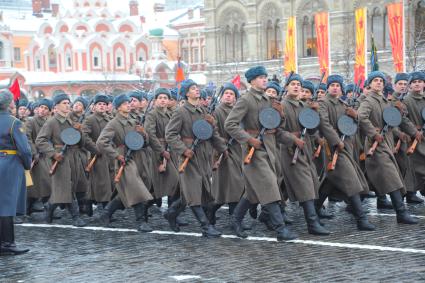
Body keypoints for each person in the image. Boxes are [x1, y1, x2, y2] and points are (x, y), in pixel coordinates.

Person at [224, 66, 298, 241]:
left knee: (253, 193)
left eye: (265, 77)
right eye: (260, 78)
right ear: (251, 81)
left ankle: (235, 220)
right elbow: (230, 124)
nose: (264, 80)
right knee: (270, 186)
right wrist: (249, 139)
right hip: (254, 152)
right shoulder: (245, 100)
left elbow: (274, 129)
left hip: (270, 150)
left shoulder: (268, 100)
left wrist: (293, 139)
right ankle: (281, 230)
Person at [165, 79, 228, 237]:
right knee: (193, 192)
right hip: (189, 157)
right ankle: (205, 227)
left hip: (203, 155)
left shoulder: (203, 111)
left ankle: (171, 213)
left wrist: (223, 149)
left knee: (196, 192)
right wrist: (183, 150)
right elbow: (170, 135)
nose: (197, 90)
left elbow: (211, 133)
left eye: (197, 87)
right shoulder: (180, 112)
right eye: (193, 88)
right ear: (187, 93)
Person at [358, 71, 420, 224]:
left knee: (393, 176)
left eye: (381, 80)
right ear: (370, 84)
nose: (378, 83)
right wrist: (373, 133)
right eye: (375, 80)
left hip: (387, 142)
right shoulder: (368, 100)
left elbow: (399, 119)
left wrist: (415, 132)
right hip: (376, 144)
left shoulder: (386, 101)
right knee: (392, 177)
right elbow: (360, 117)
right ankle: (401, 212)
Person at [317, 74, 375, 231]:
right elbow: (324, 124)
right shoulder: (323, 103)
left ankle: (314, 211)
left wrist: (354, 116)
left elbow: (352, 125)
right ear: (328, 87)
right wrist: (336, 141)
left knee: (329, 181)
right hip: (332, 147)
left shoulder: (343, 104)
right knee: (351, 180)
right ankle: (361, 219)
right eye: (332, 85)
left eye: (338, 85)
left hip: (346, 146)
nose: (335, 87)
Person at [96, 94, 154, 232]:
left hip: (138, 157)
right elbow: (101, 143)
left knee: (128, 190)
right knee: (136, 188)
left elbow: (145, 143)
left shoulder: (134, 121)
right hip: (124, 159)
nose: (129, 105)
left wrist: (143, 134)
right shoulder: (113, 123)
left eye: (129, 102)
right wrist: (116, 155)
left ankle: (106, 213)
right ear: (118, 107)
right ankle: (140, 221)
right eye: (125, 103)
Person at [35, 93, 87, 227]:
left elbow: (80, 142)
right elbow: (40, 140)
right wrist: (53, 153)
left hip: (73, 156)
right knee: (66, 186)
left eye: (68, 102)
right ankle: (76, 217)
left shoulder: (71, 121)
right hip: (61, 158)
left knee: (69, 186)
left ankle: (49, 209)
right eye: (64, 102)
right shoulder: (52, 122)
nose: (67, 105)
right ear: (56, 106)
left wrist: (79, 131)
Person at [0, 89, 32, 255]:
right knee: (6, 205)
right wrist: (28, 165)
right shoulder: (14, 123)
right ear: (9, 104)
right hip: (9, 165)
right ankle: (7, 244)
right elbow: (25, 150)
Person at [82, 94, 113, 210]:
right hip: (96, 154)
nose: (102, 106)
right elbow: (84, 136)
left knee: (108, 180)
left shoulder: (110, 119)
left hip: (109, 154)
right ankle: (96, 205)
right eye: (99, 104)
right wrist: (95, 149)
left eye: (104, 104)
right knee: (99, 181)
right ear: (94, 107)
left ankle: (98, 203)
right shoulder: (90, 119)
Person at [25, 98, 53, 215]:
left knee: (47, 182)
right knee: (30, 186)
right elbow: (27, 137)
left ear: (49, 111)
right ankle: (25, 210)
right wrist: (34, 152)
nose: (42, 110)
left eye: (46, 108)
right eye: (41, 107)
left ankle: (47, 208)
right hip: (34, 157)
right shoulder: (30, 121)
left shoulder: (49, 122)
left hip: (45, 156)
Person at [402, 71, 425, 200]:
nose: (417, 84)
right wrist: (413, 131)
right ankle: (410, 193)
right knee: (414, 166)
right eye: (414, 82)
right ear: (410, 85)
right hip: (413, 138)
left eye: (419, 82)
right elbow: (403, 118)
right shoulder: (406, 100)